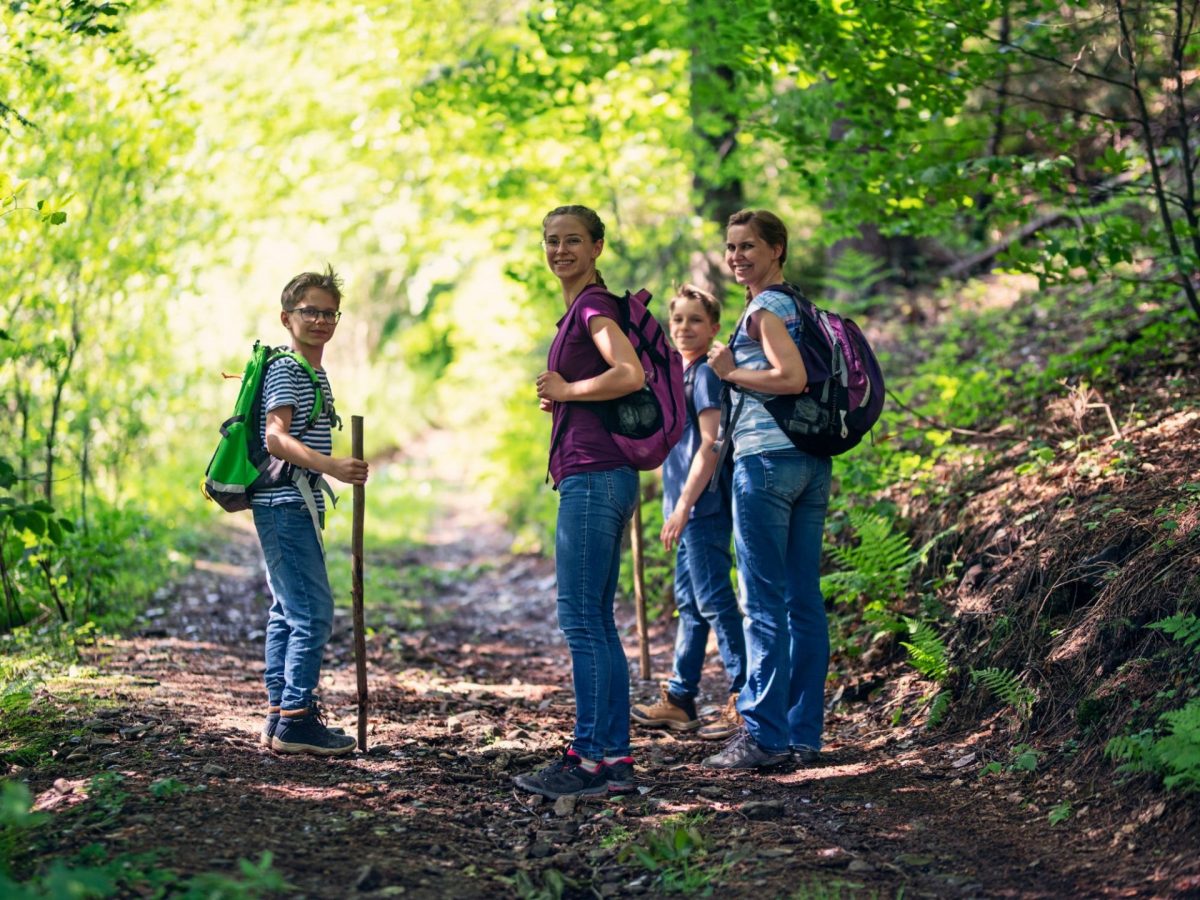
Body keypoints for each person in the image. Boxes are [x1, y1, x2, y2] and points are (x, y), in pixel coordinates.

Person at [513, 205, 644, 799]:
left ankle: (591, 759)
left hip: (594, 477)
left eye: (572, 240)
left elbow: (630, 373)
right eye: (551, 241)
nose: (560, 250)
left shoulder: (593, 308)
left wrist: (570, 388)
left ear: (596, 247)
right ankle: (611, 758)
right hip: (600, 475)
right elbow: (604, 382)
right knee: (596, 620)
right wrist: (569, 398)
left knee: (582, 620)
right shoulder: (581, 310)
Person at [702, 210, 832, 769]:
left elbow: (791, 378)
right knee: (803, 601)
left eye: (749, 246)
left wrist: (730, 372)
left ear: (776, 249)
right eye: (731, 247)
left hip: (766, 462)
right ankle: (803, 734)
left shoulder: (764, 310)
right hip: (809, 461)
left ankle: (764, 736)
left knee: (762, 603)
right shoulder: (800, 306)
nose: (737, 256)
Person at [254, 266, 369, 756]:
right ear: (287, 317)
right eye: (310, 312)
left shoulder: (312, 371)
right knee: (313, 613)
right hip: (284, 501)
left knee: (288, 611)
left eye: (329, 313)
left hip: (290, 502)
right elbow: (275, 438)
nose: (320, 320)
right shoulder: (288, 369)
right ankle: (296, 721)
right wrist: (333, 467)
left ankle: (280, 716)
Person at [630, 284, 746, 741]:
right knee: (691, 606)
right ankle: (680, 699)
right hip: (683, 509)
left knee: (715, 602)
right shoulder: (677, 374)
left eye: (696, 320)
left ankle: (745, 698)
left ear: (713, 327)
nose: (684, 327)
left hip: (703, 507)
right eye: (677, 319)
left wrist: (683, 506)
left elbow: (711, 444)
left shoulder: (706, 377)